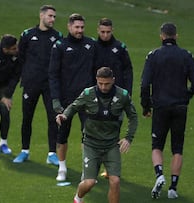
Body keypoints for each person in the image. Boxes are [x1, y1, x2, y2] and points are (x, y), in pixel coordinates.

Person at [56, 67, 138, 203]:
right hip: (91, 144)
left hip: (112, 145)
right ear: (96, 80)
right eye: (100, 83)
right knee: (89, 182)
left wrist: (128, 138)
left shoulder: (122, 95)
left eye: (107, 83)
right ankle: (78, 198)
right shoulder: (88, 94)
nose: (103, 87)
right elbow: (74, 106)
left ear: (113, 80)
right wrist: (64, 116)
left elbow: (133, 117)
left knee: (115, 181)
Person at [140, 22, 194, 199]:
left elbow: (145, 84)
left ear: (161, 36)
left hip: (160, 106)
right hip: (180, 106)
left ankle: (160, 175)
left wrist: (146, 106)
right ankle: (173, 188)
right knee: (177, 148)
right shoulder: (186, 55)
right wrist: (187, 95)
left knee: (157, 146)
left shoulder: (154, 56)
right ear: (176, 36)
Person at [49, 13, 97, 181]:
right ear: (69, 27)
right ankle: (62, 168)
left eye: (82, 27)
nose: (79, 30)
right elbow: (53, 74)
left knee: (88, 135)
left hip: (87, 99)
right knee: (62, 134)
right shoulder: (60, 45)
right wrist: (55, 99)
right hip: (66, 99)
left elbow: (96, 71)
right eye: (76, 27)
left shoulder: (91, 44)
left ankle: (86, 170)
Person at [13, 5, 63, 165]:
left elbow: (61, 61)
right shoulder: (28, 35)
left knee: (52, 118)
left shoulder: (57, 36)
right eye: (50, 16)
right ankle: (24, 151)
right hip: (31, 84)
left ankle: (52, 153)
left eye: (54, 17)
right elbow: (20, 59)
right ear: (41, 16)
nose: (52, 19)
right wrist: (23, 78)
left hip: (49, 85)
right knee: (27, 118)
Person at [95, 17, 134, 178]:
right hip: (98, 97)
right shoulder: (93, 47)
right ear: (98, 30)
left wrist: (127, 92)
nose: (105, 35)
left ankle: (111, 167)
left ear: (112, 31)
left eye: (108, 32)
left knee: (114, 133)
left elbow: (128, 70)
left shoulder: (120, 47)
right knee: (96, 133)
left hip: (117, 97)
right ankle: (94, 166)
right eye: (102, 32)